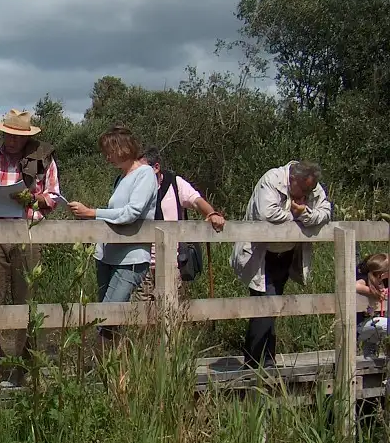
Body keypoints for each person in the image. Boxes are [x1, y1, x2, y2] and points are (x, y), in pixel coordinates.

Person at [0, 109, 60, 384]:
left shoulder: (42, 160)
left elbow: (53, 198)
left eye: (17, 135)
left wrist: (30, 199)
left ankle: (26, 371)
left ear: (26, 137)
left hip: (27, 234)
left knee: (27, 302)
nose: (11, 139)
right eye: (8, 134)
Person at [233, 161, 331, 368]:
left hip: (285, 254)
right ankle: (255, 361)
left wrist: (305, 213)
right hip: (261, 254)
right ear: (292, 180)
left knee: (271, 304)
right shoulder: (272, 180)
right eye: (303, 190)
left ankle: (265, 358)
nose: (307, 193)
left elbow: (326, 212)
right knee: (265, 303)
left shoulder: (311, 184)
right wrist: (297, 216)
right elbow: (267, 214)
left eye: (309, 190)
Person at [69, 126, 157, 338]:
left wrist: (91, 212)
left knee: (108, 318)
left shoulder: (144, 174)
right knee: (106, 316)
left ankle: (107, 364)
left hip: (131, 257)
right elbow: (116, 213)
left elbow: (132, 212)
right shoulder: (121, 178)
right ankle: (112, 365)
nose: (107, 157)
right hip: (107, 255)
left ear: (123, 149)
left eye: (110, 151)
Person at [134, 146, 226, 299]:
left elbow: (196, 201)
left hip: (172, 261)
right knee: (142, 315)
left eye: (142, 170)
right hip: (142, 261)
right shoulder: (135, 188)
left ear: (156, 167)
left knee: (171, 313)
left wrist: (211, 214)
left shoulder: (174, 183)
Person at [356, 253, 389, 356]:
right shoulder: (365, 280)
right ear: (383, 274)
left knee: (371, 350)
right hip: (361, 326)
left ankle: (369, 356)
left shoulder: (384, 282)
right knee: (385, 325)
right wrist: (373, 292)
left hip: (373, 323)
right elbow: (354, 285)